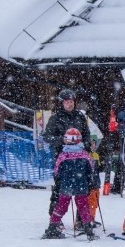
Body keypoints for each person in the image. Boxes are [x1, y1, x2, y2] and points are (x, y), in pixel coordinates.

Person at [41, 128, 98, 241]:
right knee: (83, 206)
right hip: (81, 184)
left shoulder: (63, 156)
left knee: (61, 206)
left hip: (66, 185)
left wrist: (60, 181)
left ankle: (52, 227)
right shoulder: (85, 155)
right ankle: (88, 229)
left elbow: (57, 172)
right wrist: (90, 182)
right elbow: (90, 170)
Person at [43, 88, 91, 217]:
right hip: (62, 158)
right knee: (60, 188)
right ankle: (54, 216)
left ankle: (82, 219)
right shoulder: (55, 118)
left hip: (79, 157)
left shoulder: (80, 116)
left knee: (82, 189)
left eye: (71, 101)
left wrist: (86, 145)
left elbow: (87, 134)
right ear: (62, 103)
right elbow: (47, 137)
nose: (70, 104)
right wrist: (61, 140)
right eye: (66, 102)